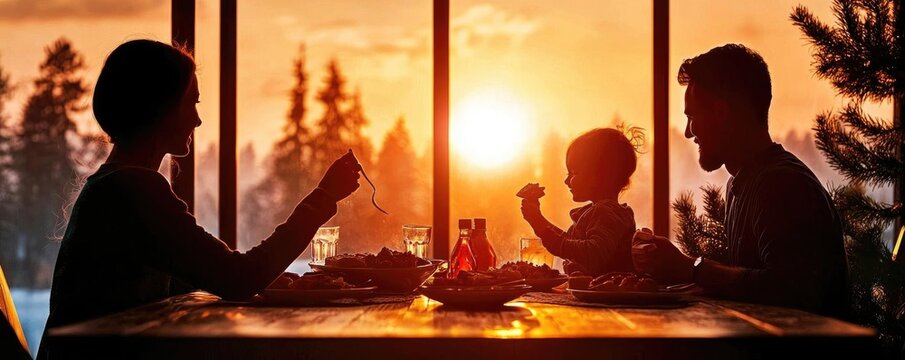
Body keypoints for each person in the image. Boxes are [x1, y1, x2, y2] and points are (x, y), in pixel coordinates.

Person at [37, 40, 361, 358]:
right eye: (191, 103)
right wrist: (324, 196)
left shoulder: (112, 185)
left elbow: (206, 279)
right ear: (160, 108)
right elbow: (239, 278)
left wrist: (268, 280)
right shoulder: (134, 190)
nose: (197, 119)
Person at [632, 44, 848, 316]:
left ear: (721, 113)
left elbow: (788, 290)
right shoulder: (742, 184)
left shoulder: (782, 185)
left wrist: (691, 268)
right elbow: (746, 283)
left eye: (691, 116)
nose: (688, 132)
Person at [520, 127, 642, 276]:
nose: (566, 181)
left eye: (573, 173)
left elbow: (591, 254)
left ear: (600, 176)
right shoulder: (599, 212)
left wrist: (540, 225)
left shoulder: (607, 213)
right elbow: (570, 242)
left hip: (605, 297)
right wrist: (539, 221)